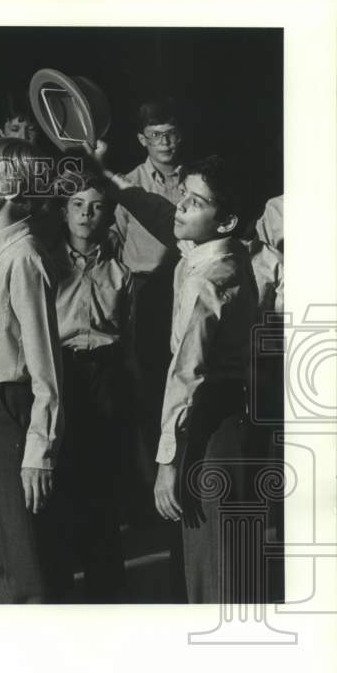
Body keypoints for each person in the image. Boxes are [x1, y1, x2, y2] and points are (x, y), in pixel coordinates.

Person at [84, 142, 261, 604]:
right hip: (222, 421)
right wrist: (106, 174)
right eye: (184, 194)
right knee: (210, 565)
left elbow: (186, 378)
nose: (182, 206)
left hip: (209, 425)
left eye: (195, 202)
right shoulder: (220, 248)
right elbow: (159, 210)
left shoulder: (208, 278)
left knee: (214, 573)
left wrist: (167, 465)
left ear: (224, 221)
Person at [0, 136, 65, 604]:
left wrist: (38, 450)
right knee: (1, 545)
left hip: (13, 410)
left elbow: (47, 371)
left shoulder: (25, 256)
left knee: (25, 555)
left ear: (10, 186)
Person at [44, 167, 132, 601]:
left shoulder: (119, 266)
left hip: (106, 372)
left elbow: (128, 327)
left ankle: (106, 591)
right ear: (64, 211)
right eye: (77, 205)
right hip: (62, 371)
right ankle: (59, 587)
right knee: (61, 479)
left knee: (102, 480)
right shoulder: (45, 261)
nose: (86, 214)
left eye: (96, 207)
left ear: (107, 215)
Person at [112, 98, 188, 529]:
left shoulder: (195, 181)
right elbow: (116, 247)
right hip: (146, 293)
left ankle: (182, 484)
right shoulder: (127, 185)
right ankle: (149, 498)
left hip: (191, 289)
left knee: (186, 386)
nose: (166, 142)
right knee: (147, 392)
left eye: (172, 132)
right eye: (156, 135)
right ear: (142, 139)